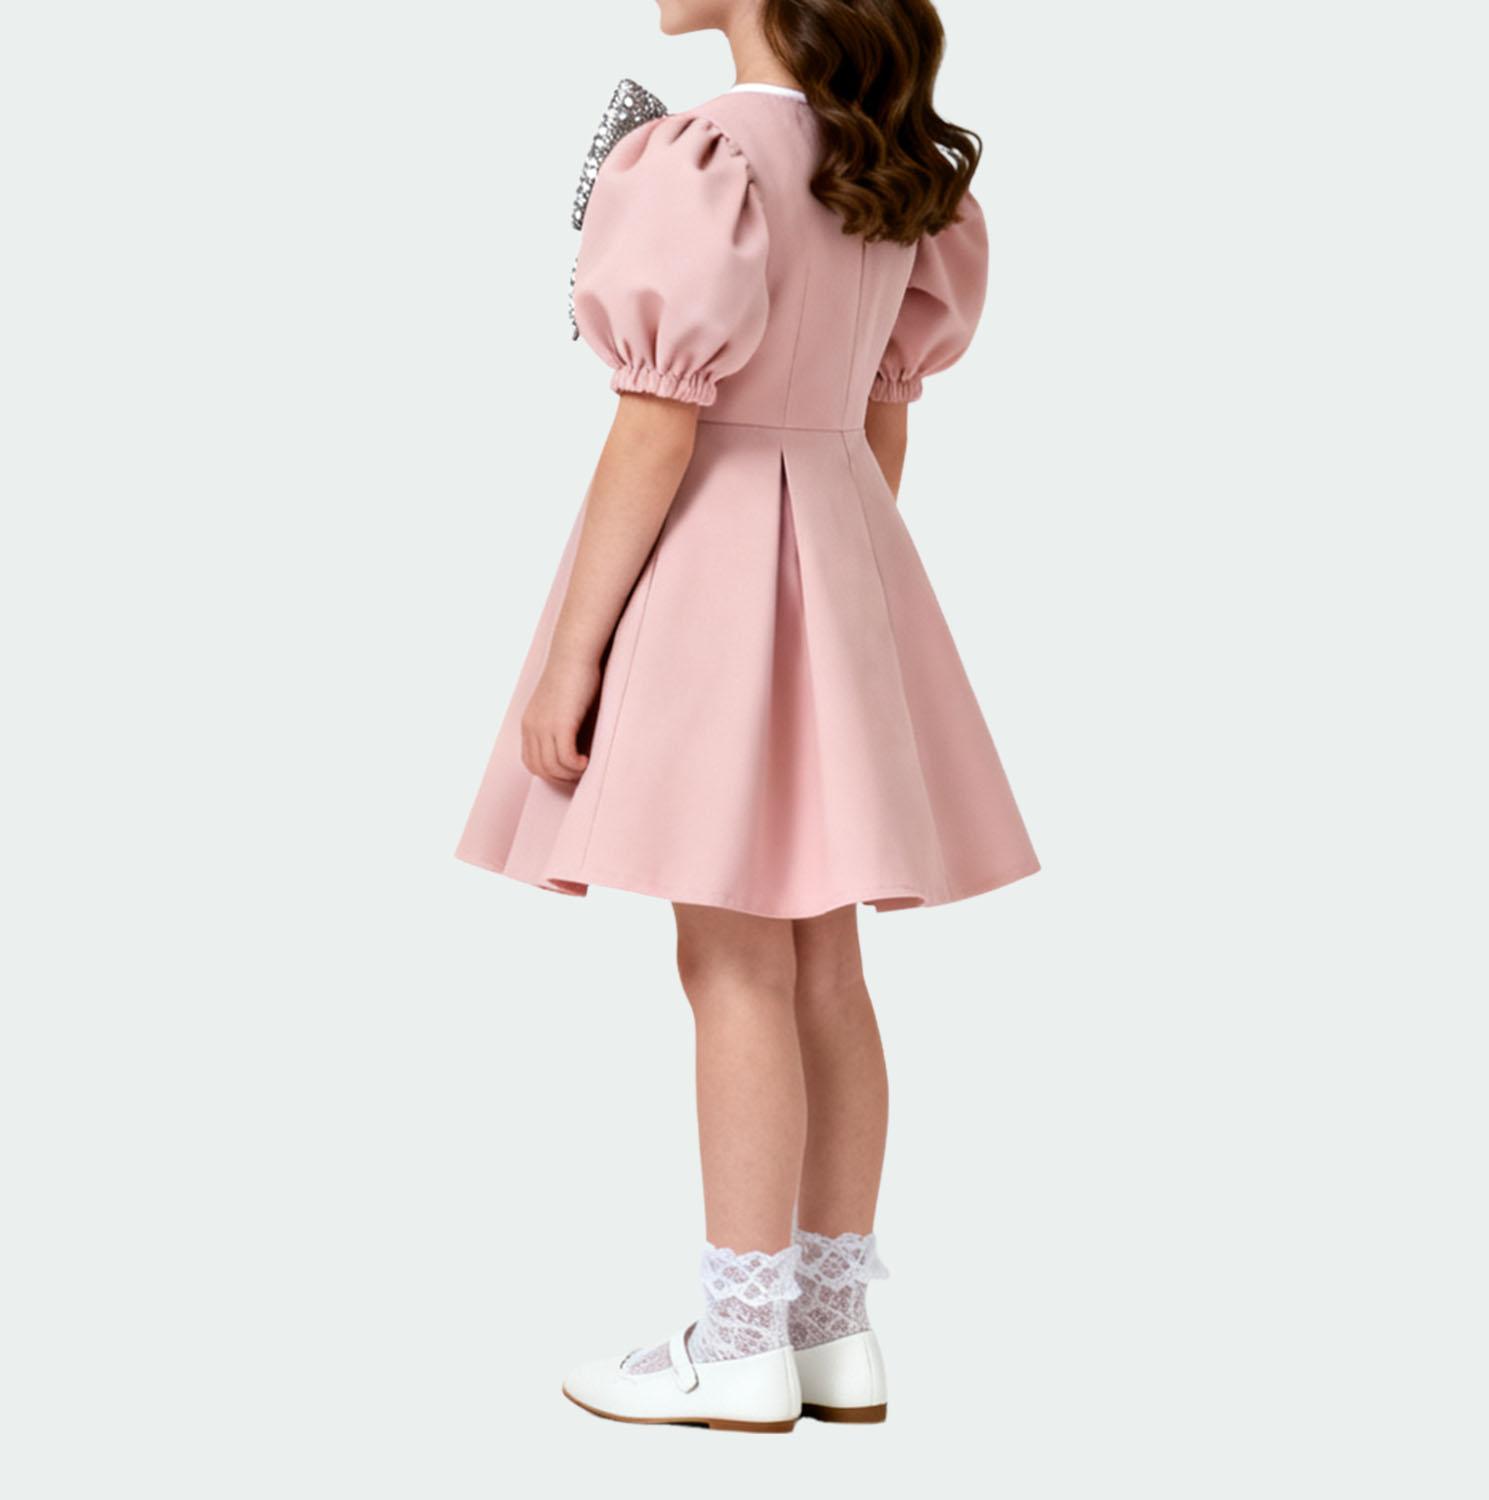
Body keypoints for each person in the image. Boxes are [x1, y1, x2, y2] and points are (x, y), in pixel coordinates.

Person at [455, 0, 1039, 1432]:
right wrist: (832, 597)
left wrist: (573, 658)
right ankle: (833, 1336)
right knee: (825, 966)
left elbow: (658, 422)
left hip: (712, 573)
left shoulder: (701, 155)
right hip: (840, 554)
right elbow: (887, 411)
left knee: (729, 965)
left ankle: (735, 1346)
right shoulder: (881, 165)